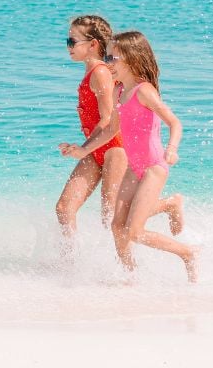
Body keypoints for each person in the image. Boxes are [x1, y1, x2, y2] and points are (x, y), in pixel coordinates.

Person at [61, 31, 198, 282]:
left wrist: (172, 148)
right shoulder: (119, 92)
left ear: (132, 59)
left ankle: (187, 252)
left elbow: (174, 122)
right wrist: (83, 150)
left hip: (153, 168)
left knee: (134, 231)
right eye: (108, 58)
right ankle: (130, 276)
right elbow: (111, 130)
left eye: (113, 59)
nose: (108, 63)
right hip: (134, 168)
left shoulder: (144, 91)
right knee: (117, 226)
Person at [56, 17, 182, 244]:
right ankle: (70, 264)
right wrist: (83, 150)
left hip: (114, 149)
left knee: (112, 217)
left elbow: (107, 121)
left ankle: (168, 205)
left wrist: (83, 149)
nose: (68, 47)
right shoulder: (93, 73)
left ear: (92, 44)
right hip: (96, 149)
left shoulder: (102, 73)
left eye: (72, 41)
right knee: (64, 208)